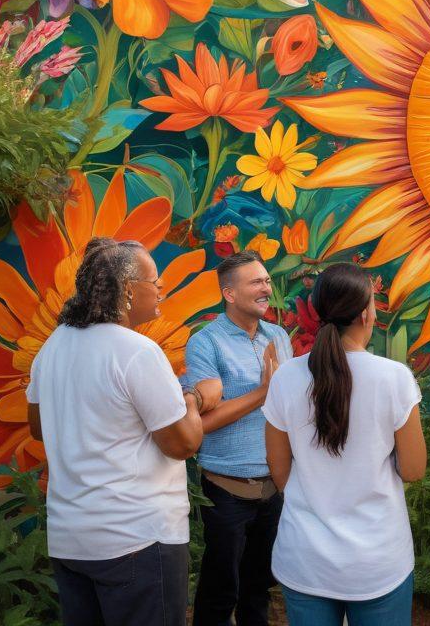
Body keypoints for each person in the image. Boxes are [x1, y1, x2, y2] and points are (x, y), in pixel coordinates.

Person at [26, 237, 220, 626]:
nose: (162, 288)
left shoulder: (53, 347)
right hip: (138, 540)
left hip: (71, 539)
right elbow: (183, 443)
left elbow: (38, 427)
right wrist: (193, 400)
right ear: (129, 290)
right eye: (155, 281)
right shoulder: (137, 352)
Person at [263, 262, 427, 625]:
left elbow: (279, 471)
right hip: (378, 559)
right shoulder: (394, 378)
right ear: (367, 314)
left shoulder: (286, 378)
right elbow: (415, 470)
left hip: (305, 558)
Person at [185, 250, 291, 626]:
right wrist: (263, 392)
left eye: (266, 280)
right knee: (219, 591)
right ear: (229, 294)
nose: (266, 288)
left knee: (259, 589)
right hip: (226, 490)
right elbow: (199, 424)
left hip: (273, 487)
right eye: (256, 282)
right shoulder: (205, 343)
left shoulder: (277, 336)